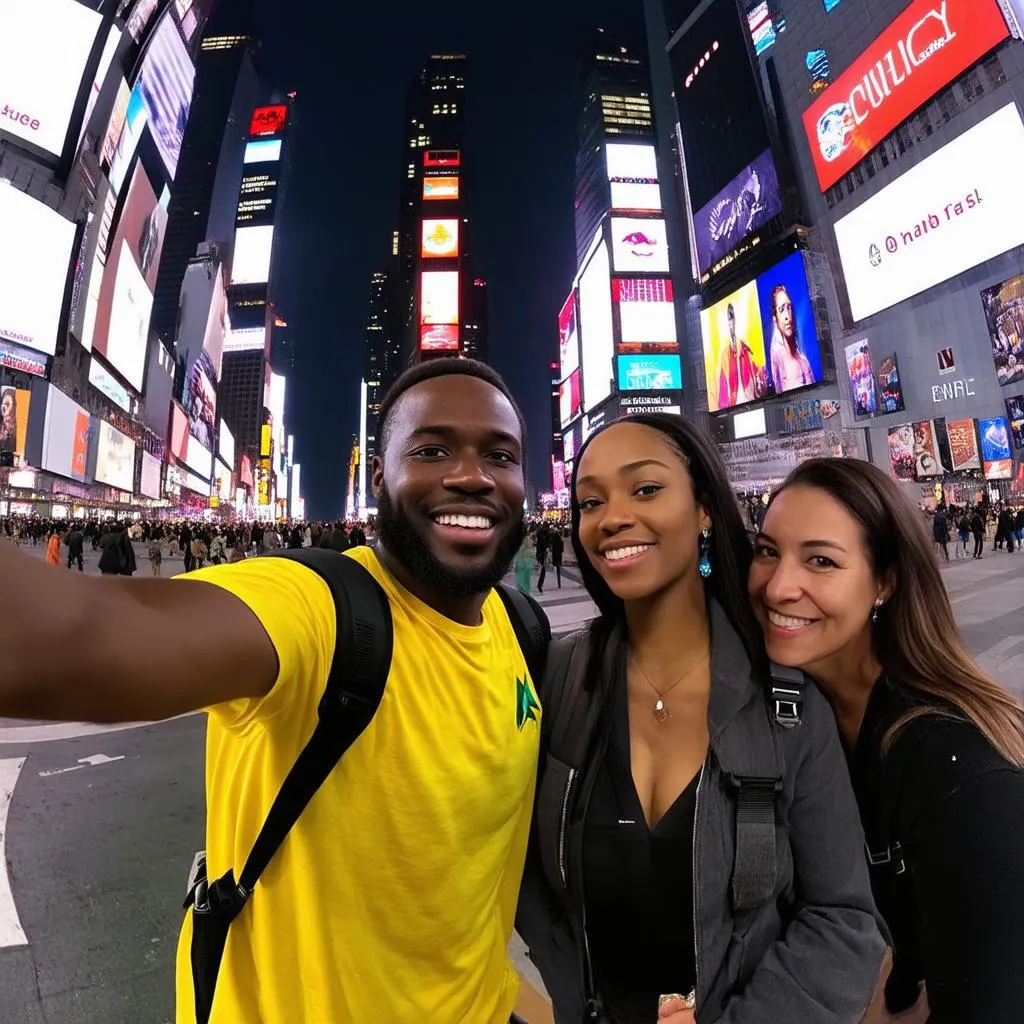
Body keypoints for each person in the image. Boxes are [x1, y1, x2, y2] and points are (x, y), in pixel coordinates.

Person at [0, 358, 548, 1024]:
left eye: (500, 454)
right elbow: (89, 636)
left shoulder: (524, 630)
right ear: (381, 477)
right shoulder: (318, 608)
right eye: (431, 450)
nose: (471, 475)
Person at [518, 416, 883, 1024]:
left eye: (645, 489)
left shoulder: (787, 707)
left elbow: (844, 919)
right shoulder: (559, 678)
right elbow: (518, 869)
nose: (610, 518)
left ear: (705, 509)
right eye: (589, 500)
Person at [748, 458, 1024, 1023]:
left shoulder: (958, 771)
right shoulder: (791, 716)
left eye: (821, 560)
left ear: (885, 582)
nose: (778, 585)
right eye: (767, 550)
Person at [716, 303, 766, 408]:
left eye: (732, 318)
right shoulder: (725, 355)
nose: (731, 324)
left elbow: (758, 383)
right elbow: (723, 397)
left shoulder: (746, 351)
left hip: (751, 403)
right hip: (734, 405)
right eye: (729, 319)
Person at [768, 285, 814, 394]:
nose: (787, 316)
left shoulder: (803, 360)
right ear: (775, 319)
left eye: (789, 307)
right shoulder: (777, 354)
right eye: (781, 309)